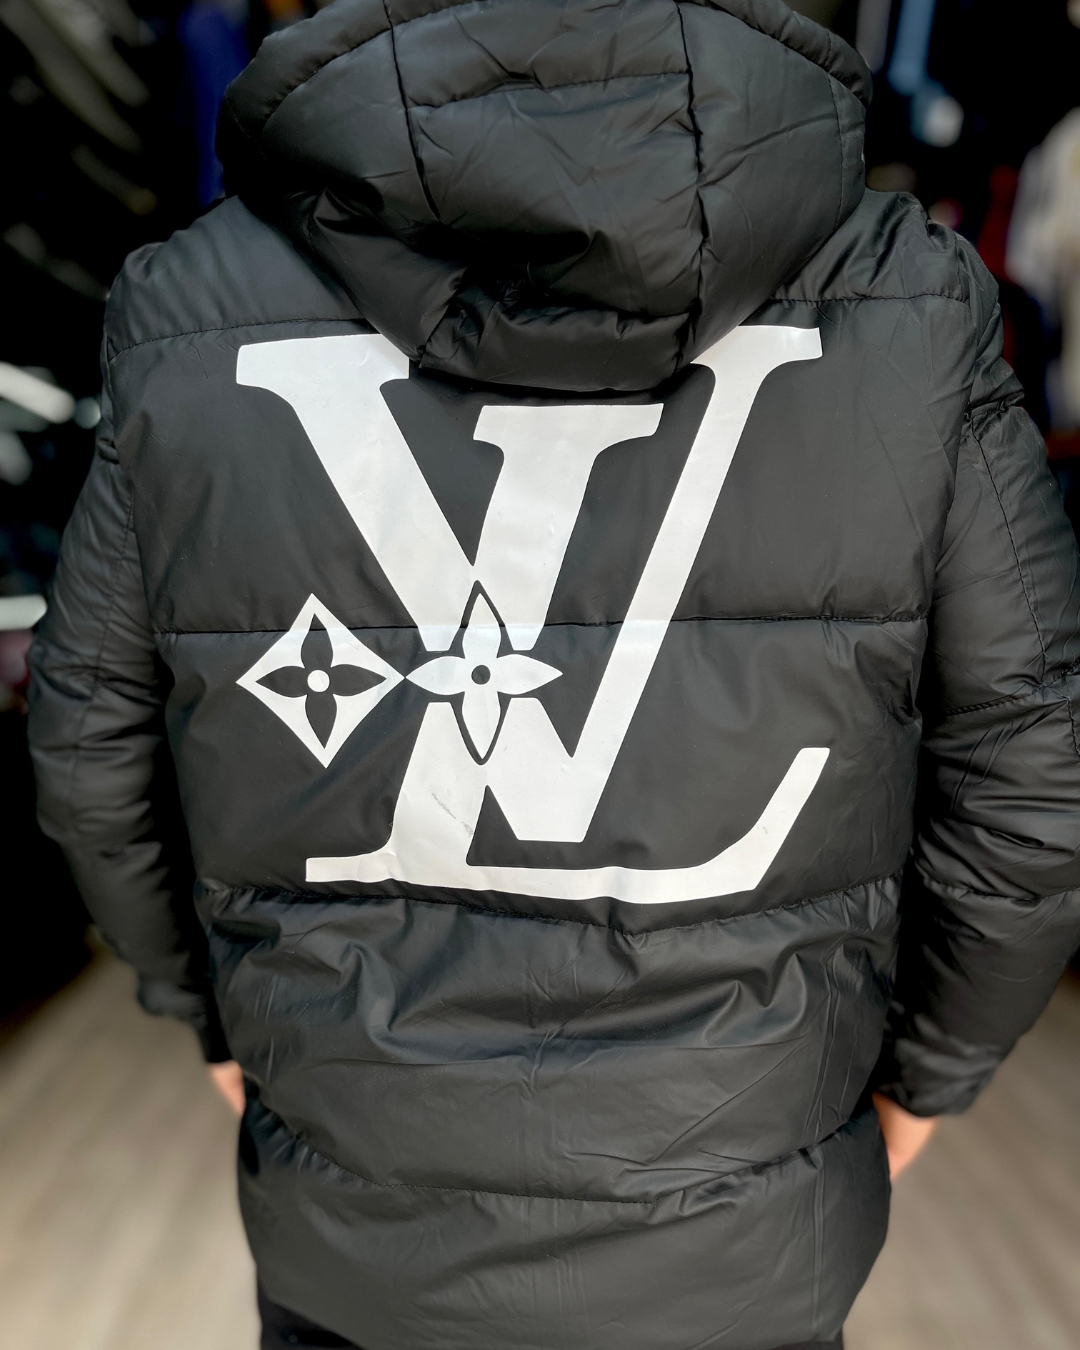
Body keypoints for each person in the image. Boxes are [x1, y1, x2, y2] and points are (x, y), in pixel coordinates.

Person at [27, 1, 1080, 1348]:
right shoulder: (908, 298)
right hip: (742, 1243)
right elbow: (1033, 777)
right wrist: (926, 1080)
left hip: (355, 1228)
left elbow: (88, 749)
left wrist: (212, 1018)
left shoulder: (189, 305)